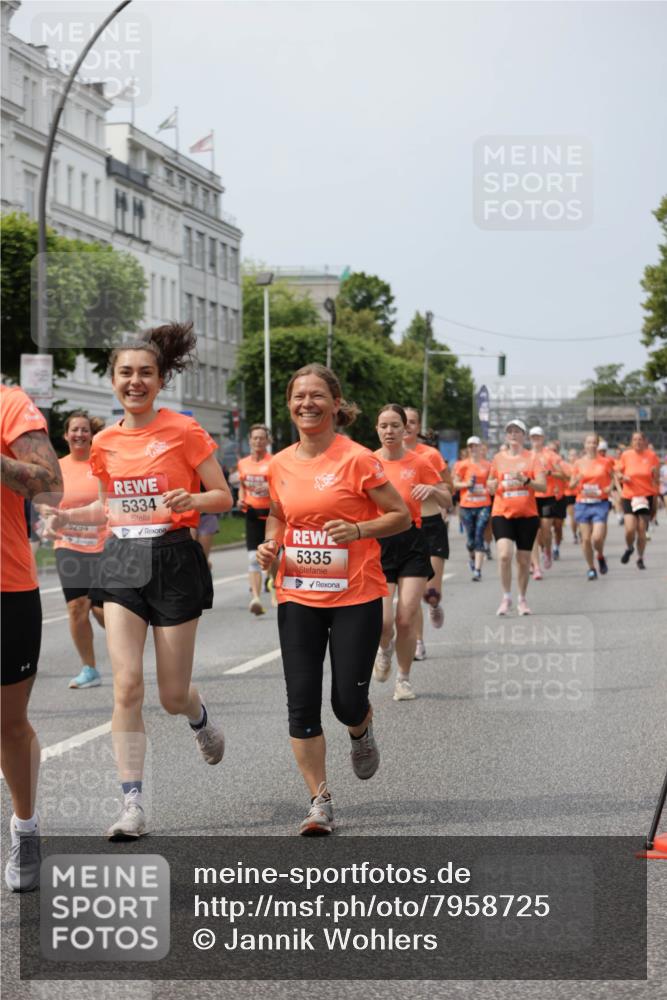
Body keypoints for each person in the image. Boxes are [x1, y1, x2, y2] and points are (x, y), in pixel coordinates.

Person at [53, 324, 233, 840]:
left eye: (145, 373)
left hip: (174, 558)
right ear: (112, 380)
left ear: (160, 380)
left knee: (171, 694)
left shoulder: (185, 431)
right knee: (127, 685)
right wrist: (70, 519)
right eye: (126, 373)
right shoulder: (104, 442)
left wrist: (194, 501)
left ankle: (197, 716)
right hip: (121, 560)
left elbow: (222, 496)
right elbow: (111, 507)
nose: (135, 381)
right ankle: (132, 803)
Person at [256, 364, 409, 835]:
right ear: (289, 404)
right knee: (301, 701)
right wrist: (271, 546)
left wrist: (360, 528)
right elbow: (279, 517)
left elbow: (400, 515)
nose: (307, 403)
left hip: (355, 593)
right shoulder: (278, 464)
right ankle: (319, 800)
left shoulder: (358, 459)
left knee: (345, 701)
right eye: (299, 395)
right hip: (298, 592)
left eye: (317, 395)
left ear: (336, 403)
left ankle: (359, 729)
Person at [1, 384, 63, 891]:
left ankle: (25, 825)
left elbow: (50, 486)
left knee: (9, 724)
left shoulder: (10, 405)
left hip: (6, 589)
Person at [372, 404, 445, 700]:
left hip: (412, 541)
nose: (389, 431)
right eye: (384, 426)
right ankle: (384, 648)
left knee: (406, 616)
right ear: (377, 429)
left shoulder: (420, 462)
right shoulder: (367, 462)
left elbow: (447, 497)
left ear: (405, 429)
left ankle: (403, 679)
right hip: (378, 543)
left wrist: (433, 492)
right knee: (383, 621)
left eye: (395, 426)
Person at [44, 411, 108, 689]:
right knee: (76, 607)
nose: (80, 435)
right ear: (66, 435)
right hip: (68, 545)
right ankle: (89, 669)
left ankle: (128, 645)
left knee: (103, 611)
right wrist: (48, 517)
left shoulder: (101, 465)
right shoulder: (56, 469)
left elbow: (109, 505)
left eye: (84, 430)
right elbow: (47, 504)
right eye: (75, 430)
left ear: (91, 435)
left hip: (104, 546)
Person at [403, 407, 452, 659]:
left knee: (430, 593)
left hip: (431, 524)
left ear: (418, 426)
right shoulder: (386, 457)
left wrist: (433, 491)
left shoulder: (430, 455)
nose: (408, 426)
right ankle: (419, 641)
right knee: (413, 589)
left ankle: (434, 604)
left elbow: (448, 489)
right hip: (405, 528)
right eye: (404, 421)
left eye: (412, 422)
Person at [487, 419, 547, 616]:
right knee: (504, 555)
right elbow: (490, 482)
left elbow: (542, 486)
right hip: (502, 513)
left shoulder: (532, 459)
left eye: (517, 431)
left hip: (527, 515)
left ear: (523, 435)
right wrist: (492, 486)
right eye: (509, 431)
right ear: (506, 436)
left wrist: (526, 480)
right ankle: (506, 597)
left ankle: (522, 598)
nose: (513, 434)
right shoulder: (497, 458)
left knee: (523, 560)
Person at [237, 424, 274, 615]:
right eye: (255, 438)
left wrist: (270, 490)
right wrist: (241, 498)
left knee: (272, 555)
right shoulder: (243, 463)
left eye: (262, 438)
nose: (258, 441)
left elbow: (283, 487)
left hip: (271, 514)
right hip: (251, 512)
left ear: (267, 441)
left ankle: (274, 582)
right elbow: (243, 485)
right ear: (250, 440)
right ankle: (256, 599)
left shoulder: (274, 462)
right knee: (253, 558)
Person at [570, 433, 615, 579]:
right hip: (582, 503)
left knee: (596, 538)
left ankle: (600, 556)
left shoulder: (606, 462)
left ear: (597, 445)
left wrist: (610, 487)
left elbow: (614, 477)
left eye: (594, 443)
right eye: (589, 443)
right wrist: (576, 481)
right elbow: (570, 485)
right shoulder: (578, 463)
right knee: (586, 539)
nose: (592, 445)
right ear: (584, 445)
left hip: (600, 503)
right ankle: (591, 568)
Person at [616, 431, 660, 570]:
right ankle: (629, 547)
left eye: (640, 439)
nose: (637, 442)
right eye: (635, 439)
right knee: (629, 529)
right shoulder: (626, 455)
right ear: (631, 442)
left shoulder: (651, 456)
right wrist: (623, 478)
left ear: (645, 441)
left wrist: (655, 475)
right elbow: (617, 472)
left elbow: (656, 478)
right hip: (629, 496)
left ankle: (640, 558)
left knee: (641, 530)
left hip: (645, 497)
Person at [528, 427, 566, 579]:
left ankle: (548, 550)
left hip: (548, 495)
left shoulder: (550, 455)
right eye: (533, 437)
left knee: (545, 528)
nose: (535, 439)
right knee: (533, 532)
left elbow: (563, 475)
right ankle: (535, 565)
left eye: (538, 436)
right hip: (531, 497)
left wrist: (549, 472)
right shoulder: (526, 455)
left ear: (543, 438)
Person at [452, 436, 492, 581]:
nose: (473, 449)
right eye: (470, 446)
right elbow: (454, 484)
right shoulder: (461, 464)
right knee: (470, 540)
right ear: (468, 449)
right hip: (467, 505)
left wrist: (489, 488)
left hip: (483, 504)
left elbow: (493, 483)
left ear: (481, 448)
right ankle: (472, 557)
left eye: (476, 446)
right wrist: (467, 484)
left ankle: (477, 570)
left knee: (479, 535)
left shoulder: (488, 465)